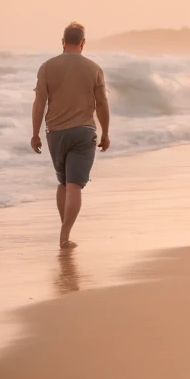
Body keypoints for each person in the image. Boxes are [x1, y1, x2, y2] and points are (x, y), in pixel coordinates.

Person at [31, 22, 110, 248]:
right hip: (84, 132)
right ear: (83, 43)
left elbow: (39, 103)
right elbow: (102, 103)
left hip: (55, 133)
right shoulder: (94, 68)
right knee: (74, 185)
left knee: (64, 183)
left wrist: (35, 134)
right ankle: (64, 235)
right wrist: (105, 132)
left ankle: (65, 231)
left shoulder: (47, 67)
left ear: (63, 42)